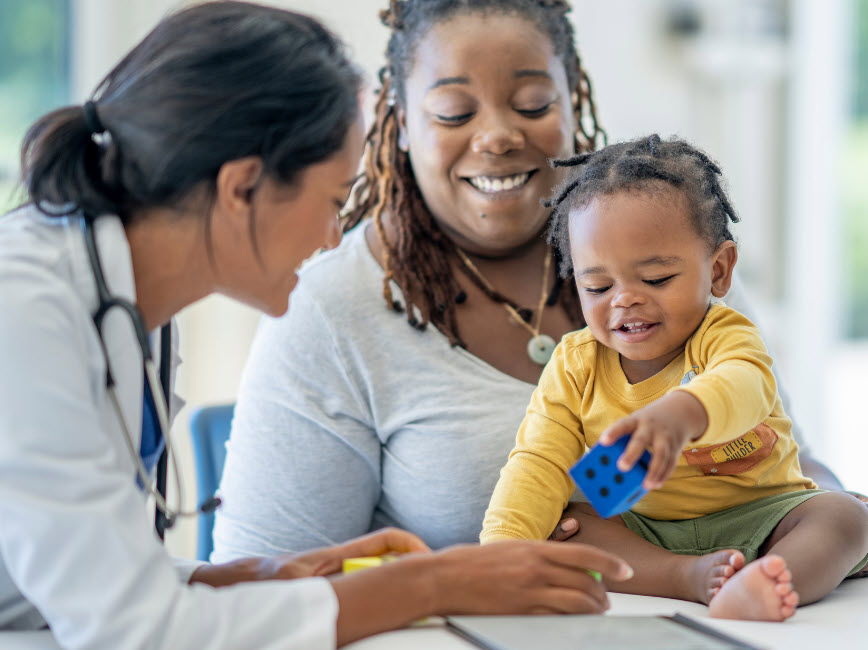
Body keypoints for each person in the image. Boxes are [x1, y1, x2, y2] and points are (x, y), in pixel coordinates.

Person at [0, 3, 634, 648]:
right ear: (243, 188)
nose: (336, 235)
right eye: (333, 201)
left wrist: (251, 579)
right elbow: (133, 631)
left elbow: (60, 587)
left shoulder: (125, 312)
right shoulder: (24, 313)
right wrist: (432, 583)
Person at [213, 0, 867, 590]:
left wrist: (817, 521)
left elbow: (785, 446)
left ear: (572, 100)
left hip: (718, 616)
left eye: (532, 105)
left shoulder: (666, 239)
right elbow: (265, 594)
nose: (497, 135)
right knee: (577, 529)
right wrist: (491, 560)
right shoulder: (330, 309)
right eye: (453, 112)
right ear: (401, 118)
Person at [479, 134, 868, 621]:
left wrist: (684, 413)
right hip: (650, 534)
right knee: (568, 524)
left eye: (656, 279)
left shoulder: (724, 334)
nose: (624, 299)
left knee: (844, 516)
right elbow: (537, 464)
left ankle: (767, 580)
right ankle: (687, 578)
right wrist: (498, 555)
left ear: (719, 271)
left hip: (765, 518)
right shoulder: (575, 365)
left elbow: (746, 385)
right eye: (597, 285)